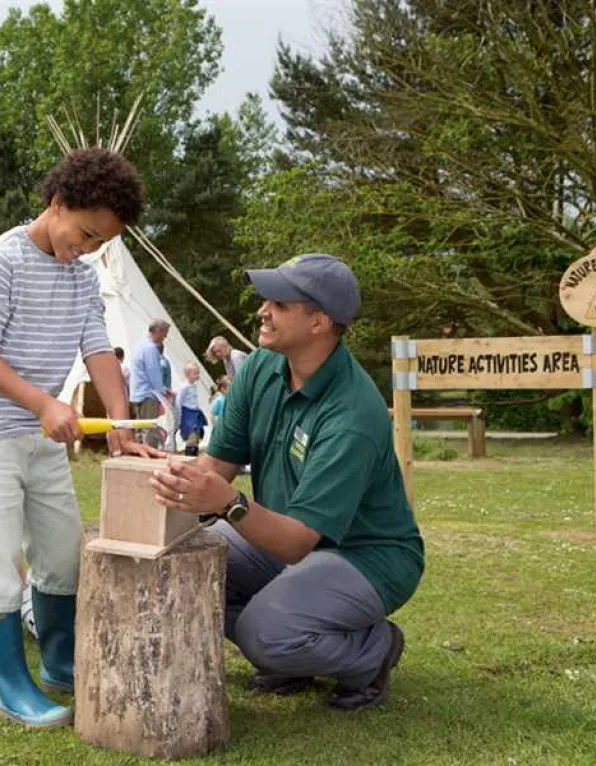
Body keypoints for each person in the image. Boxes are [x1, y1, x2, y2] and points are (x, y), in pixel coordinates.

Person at [0, 148, 160, 729]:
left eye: (100, 243)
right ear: (58, 203)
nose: (87, 249)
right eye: (86, 234)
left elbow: (99, 349)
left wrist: (119, 426)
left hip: (38, 433)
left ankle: (61, 664)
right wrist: (43, 403)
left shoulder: (83, 277)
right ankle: (11, 686)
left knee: (62, 552)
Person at [151, 254, 424, 712]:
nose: (263, 311)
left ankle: (373, 650)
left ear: (319, 322)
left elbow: (297, 541)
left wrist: (229, 504)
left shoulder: (352, 412)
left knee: (265, 633)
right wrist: (170, 473)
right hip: (284, 537)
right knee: (185, 560)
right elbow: (217, 465)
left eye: (279, 304)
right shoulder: (261, 368)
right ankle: (297, 648)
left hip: (366, 556)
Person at [129, 319, 173, 449]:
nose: (165, 337)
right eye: (164, 333)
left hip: (137, 393)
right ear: (158, 331)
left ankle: (138, 454)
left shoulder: (139, 345)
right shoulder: (151, 348)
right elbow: (154, 374)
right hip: (148, 394)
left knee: (139, 429)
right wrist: (163, 393)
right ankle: (150, 454)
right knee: (151, 430)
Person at [175, 362, 207, 456]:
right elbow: (178, 401)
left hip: (195, 413)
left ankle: (194, 454)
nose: (198, 376)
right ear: (188, 374)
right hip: (188, 414)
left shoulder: (193, 386)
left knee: (197, 434)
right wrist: (179, 417)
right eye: (195, 373)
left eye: (198, 373)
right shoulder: (184, 387)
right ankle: (189, 455)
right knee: (191, 435)